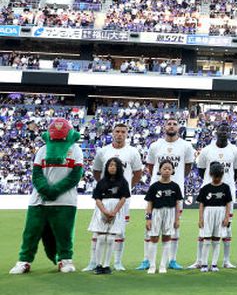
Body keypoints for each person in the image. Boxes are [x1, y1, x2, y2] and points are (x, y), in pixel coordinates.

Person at [9, 117, 84, 275]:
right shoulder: (42, 150)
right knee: (31, 232)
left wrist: (55, 190)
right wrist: (45, 189)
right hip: (39, 200)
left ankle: (65, 259)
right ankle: (24, 261)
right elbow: (36, 174)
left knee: (64, 232)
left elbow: (75, 176)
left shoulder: (76, 149)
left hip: (65, 201)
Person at [87, 122, 143, 272]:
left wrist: (126, 188)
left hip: (123, 198)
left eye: (123, 132)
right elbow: (97, 171)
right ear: (112, 133)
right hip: (105, 198)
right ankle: (93, 262)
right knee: (98, 230)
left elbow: (138, 173)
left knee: (120, 230)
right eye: (117, 131)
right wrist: (105, 188)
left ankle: (117, 262)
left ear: (127, 134)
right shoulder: (103, 151)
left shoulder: (132, 152)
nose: (120, 134)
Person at [140, 116, 195, 271]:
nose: (171, 126)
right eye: (169, 124)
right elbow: (151, 167)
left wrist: (175, 179)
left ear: (179, 127)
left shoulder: (186, 146)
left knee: (175, 226)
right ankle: (146, 260)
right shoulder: (155, 145)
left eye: (174, 124)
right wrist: (159, 179)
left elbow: (187, 167)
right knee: (150, 226)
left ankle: (172, 259)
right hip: (156, 191)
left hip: (175, 191)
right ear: (164, 127)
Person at [193, 123, 237, 269]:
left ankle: (226, 261)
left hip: (227, 194)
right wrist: (212, 183)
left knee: (227, 227)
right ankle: (199, 260)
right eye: (221, 130)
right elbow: (201, 170)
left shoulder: (235, 151)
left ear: (230, 133)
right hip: (208, 194)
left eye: (226, 130)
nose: (224, 132)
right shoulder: (207, 150)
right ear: (216, 132)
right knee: (203, 228)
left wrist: (225, 185)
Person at [88, 157, 130, 275]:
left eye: (115, 165)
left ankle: (106, 265)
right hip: (102, 209)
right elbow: (97, 198)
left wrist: (115, 211)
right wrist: (105, 211)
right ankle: (98, 264)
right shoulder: (102, 182)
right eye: (110, 165)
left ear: (119, 168)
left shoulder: (123, 181)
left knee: (111, 238)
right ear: (106, 167)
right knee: (100, 238)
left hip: (117, 210)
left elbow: (123, 198)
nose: (112, 167)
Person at [143, 159, 183, 274]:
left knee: (166, 238)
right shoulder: (154, 186)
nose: (166, 171)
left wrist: (177, 219)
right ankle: (152, 265)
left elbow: (177, 204)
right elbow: (149, 204)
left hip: (170, 213)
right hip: (156, 213)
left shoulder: (175, 186)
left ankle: (162, 265)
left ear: (172, 171)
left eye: (169, 169)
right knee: (154, 238)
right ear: (159, 170)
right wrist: (148, 218)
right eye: (164, 168)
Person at [196, 162, 233, 273]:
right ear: (211, 174)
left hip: (220, 212)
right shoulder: (205, 188)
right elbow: (201, 204)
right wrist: (201, 218)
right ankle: (204, 264)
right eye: (215, 176)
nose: (217, 178)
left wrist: (227, 217)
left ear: (222, 175)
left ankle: (214, 264)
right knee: (206, 239)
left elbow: (228, 203)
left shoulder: (225, 188)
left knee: (217, 238)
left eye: (219, 176)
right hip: (208, 212)